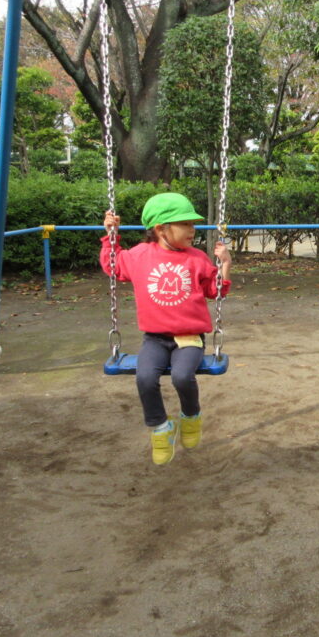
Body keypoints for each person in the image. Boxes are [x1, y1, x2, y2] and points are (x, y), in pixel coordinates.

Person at [101, 192, 232, 465]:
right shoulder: (140, 256)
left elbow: (215, 291)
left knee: (182, 377)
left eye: (193, 224)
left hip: (190, 337)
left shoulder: (197, 258)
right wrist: (110, 235)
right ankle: (161, 428)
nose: (192, 230)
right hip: (155, 338)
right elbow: (112, 265)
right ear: (161, 229)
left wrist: (225, 264)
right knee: (145, 378)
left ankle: (191, 417)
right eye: (185, 224)